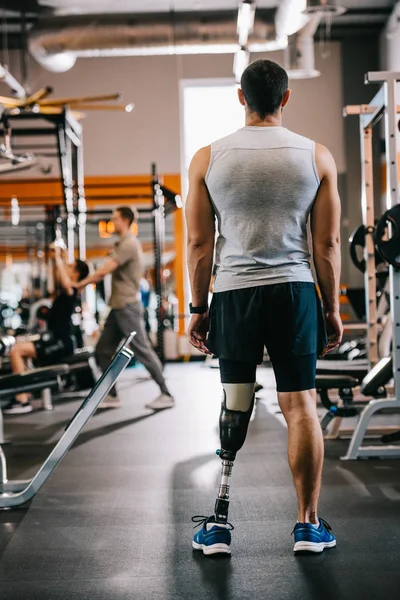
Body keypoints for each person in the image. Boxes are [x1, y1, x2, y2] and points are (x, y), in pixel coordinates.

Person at [185, 59, 343, 556]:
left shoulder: (207, 158)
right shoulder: (316, 156)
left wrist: (197, 305)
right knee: (300, 408)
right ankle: (308, 525)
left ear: (240, 97)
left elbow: (197, 243)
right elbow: (330, 244)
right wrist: (331, 308)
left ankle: (220, 525)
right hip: (295, 291)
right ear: (287, 97)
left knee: (236, 402)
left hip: (233, 293)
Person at [74, 206, 175, 411]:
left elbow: (104, 271)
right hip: (117, 306)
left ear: (126, 220)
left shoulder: (129, 244)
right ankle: (111, 395)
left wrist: (78, 285)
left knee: (142, 350)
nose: (112, 222)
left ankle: (166, 394)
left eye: (115, 218)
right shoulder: (121, 244)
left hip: (127, 306)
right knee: (102, 350)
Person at [3, 245, 89, 415]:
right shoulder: (66, 292)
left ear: (76, 274)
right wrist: (62, 256)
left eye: (70, 268)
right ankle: (24, 393)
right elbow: (61, 275)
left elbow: (64, 279)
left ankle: (22, 399)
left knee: (15, 351)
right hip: (55, 340)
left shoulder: (71, 290)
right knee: (19, 348)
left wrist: (57, 256)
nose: (66, 269)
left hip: (60, 343)